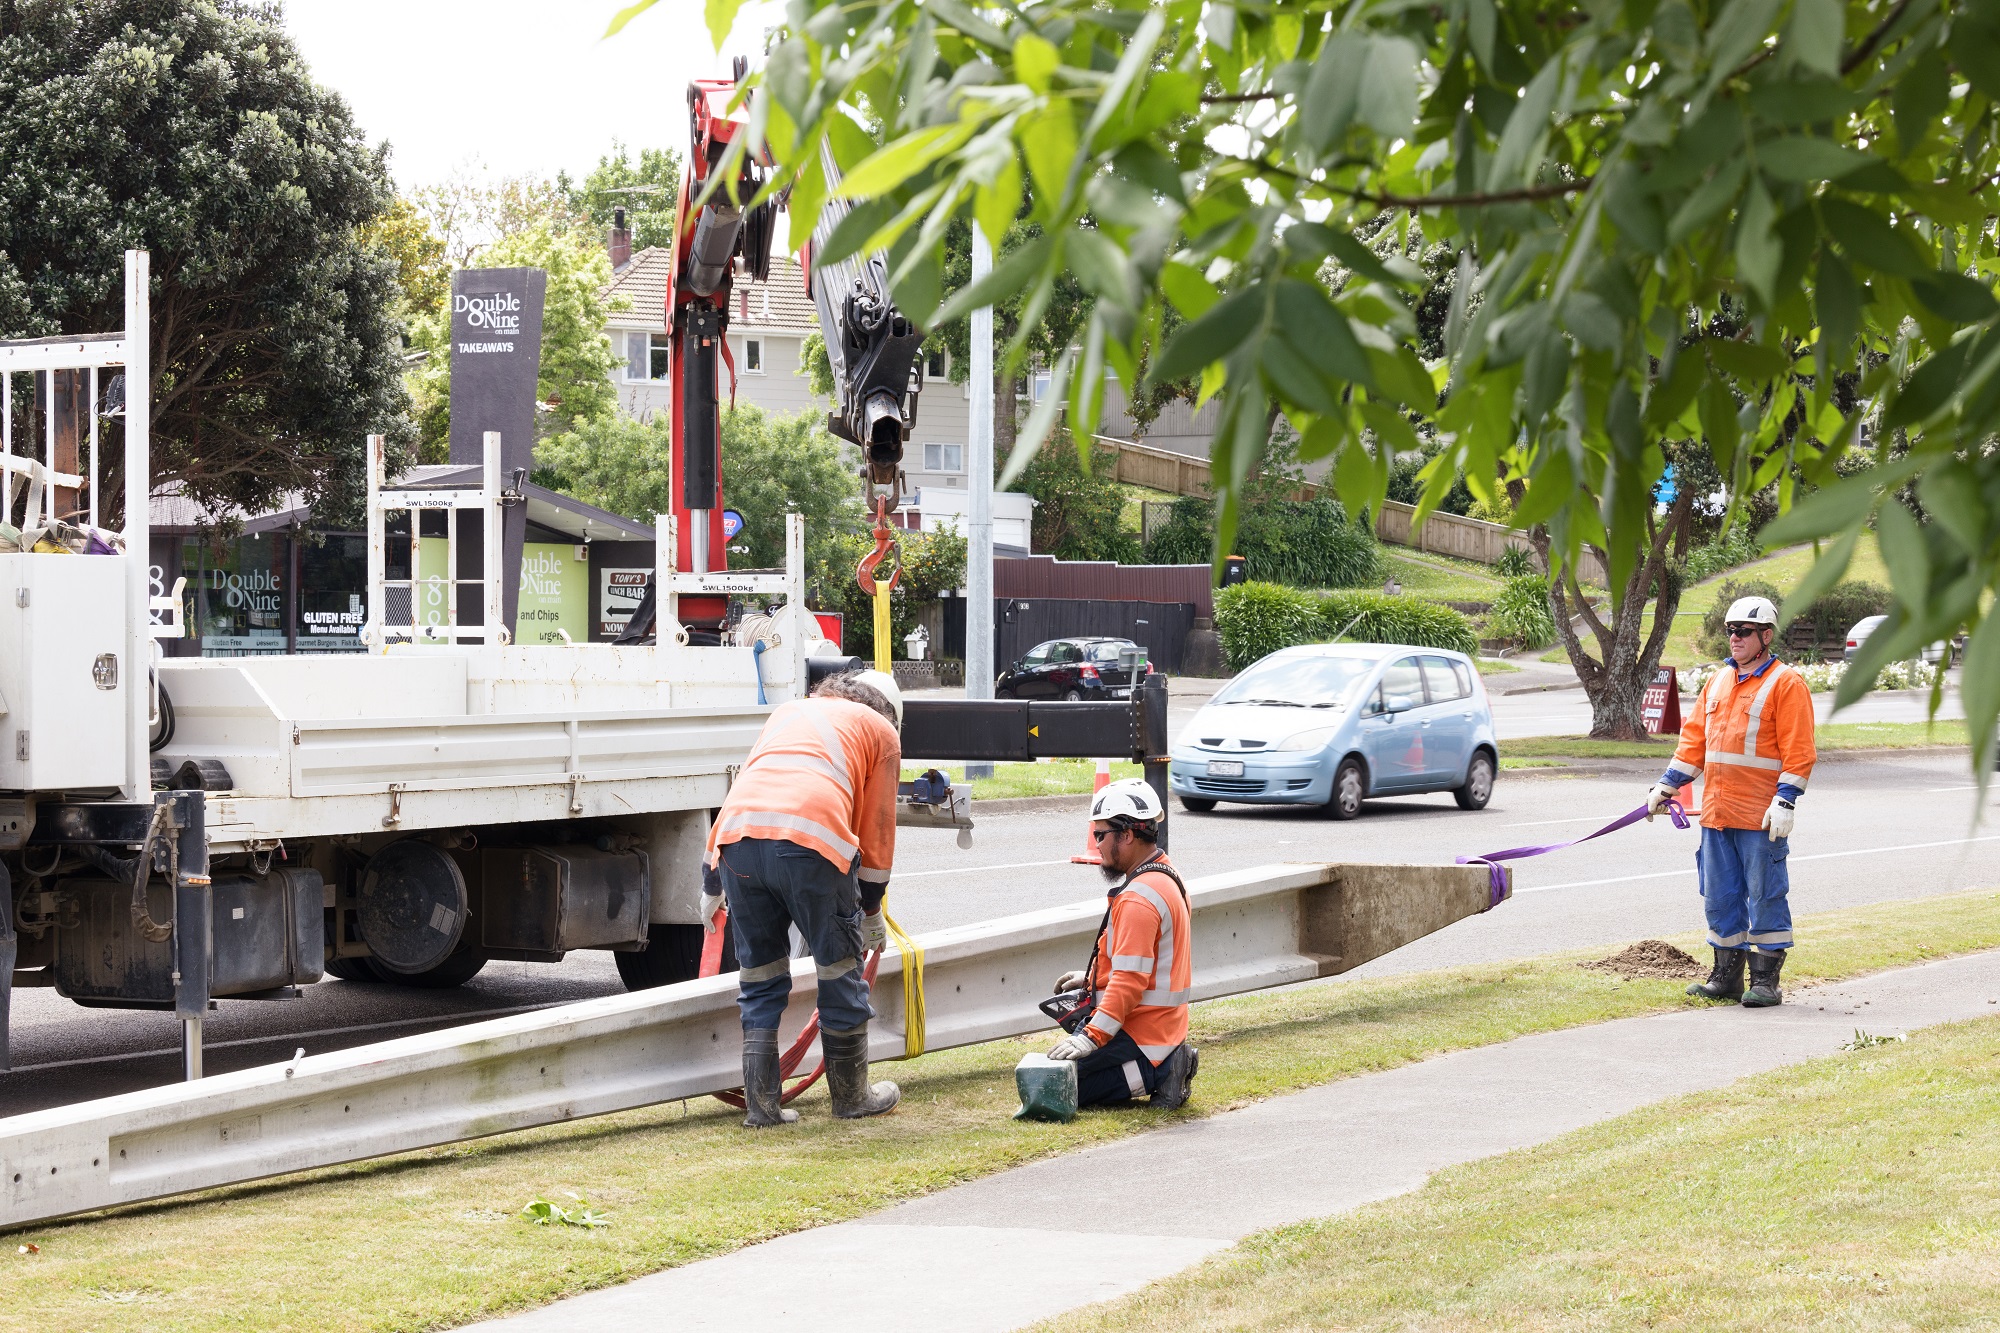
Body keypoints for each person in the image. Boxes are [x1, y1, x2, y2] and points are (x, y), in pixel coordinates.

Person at [702, 668, 904, 1127]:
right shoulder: (881, 732)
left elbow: (746, 788)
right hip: (811, 843)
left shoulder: (788, 712)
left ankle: (762, 1108)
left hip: (736, 842)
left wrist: (710, 879)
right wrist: (871, 910)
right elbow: (876, 837)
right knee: (838, 970)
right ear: (887, 710)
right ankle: (852, 1098)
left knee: (758, 975)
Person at [1646, 595, 1817, 1008]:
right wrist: (1667, 786)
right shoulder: (1717, 682)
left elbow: (1800, 750)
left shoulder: (1785, 683)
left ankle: (1766, 981)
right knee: (1720, 895)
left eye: (1743, 632)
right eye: (1730, 631)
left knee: (1765, 895)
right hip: (1717, 814)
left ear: (1765, 636)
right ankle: (1726, 977)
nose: (1735, 638)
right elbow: (1694, 744)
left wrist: (1787, 801)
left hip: (1760, 817)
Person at [1044, 779, 1199, 1109]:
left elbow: (1130, 980)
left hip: (1143, 1033)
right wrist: (1093, 978)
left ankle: (1165, 1070)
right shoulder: (1167, 877)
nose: (1096, 844)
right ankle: (1165, 1061)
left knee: (1053, 1087)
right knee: (1057, 1073)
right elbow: (1141, 962)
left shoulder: (1138, 899)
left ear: (1127, 834)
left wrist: (1091, 1036)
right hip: (1158, 1025)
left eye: (1100, 835)